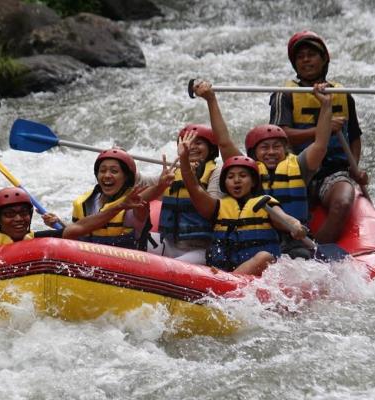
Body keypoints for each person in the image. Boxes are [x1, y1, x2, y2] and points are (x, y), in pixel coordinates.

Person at [193, 79, 333, 259]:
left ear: (285, 149)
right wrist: (211, 100)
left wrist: (326, 105)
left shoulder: (300, 165)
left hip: (295, 239)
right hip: (257, 238)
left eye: (277, 147)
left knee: (300, 255)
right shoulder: (247, 171)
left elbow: (321, 144)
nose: (271, 152)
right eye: (264, 148)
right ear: (254, 153)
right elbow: (224, 142)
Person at [269, 30, 368, 243]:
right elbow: (279, 136)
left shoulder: (343, 94)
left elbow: (355, 136)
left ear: (324, 59)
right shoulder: (283, 94)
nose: (305, 60)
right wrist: (322, 129)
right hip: (295, 169)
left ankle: (318, 252)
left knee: (342, 203)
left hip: (333, 171)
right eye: (300, 56)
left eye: (311, 54)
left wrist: (355, 168)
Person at [178, 131, 307, 276]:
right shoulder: (217, 207)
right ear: (224, 183)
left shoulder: (265, 204)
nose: (236, 180)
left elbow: (284, 218)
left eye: (243, 176)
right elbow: (194, 188)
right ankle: (226, 282)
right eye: (231, 177)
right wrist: (184, 159)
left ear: (253, 182)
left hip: (256, 275)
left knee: (265, 257)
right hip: (221, 272)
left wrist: (295, 225)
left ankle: (227, 283)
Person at [0, 175, 146, 252]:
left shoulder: (36, 240)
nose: (18, 219)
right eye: (10, 214)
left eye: (23, 213)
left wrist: (118, 207)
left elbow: (79, 228)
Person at [138, 121, 238, 264]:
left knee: (170, 268)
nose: (192, 147)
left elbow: (213, 209)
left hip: (201, 249)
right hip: (169, 241)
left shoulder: (217, 172)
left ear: (211, 148)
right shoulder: (174, 171)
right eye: (188, 143)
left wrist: (192, 178)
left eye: (199, 143)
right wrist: (124, 163)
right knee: (132, 243)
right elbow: (141, 183)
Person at [41, 148, 151, 250]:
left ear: (126, 177)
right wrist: (60, 224)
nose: (107, 175)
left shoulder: (134, 204)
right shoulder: (85, 203)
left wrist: (163, 184)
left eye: (114, 171)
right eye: (102, 170)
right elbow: (80, 233)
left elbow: (150, 196)